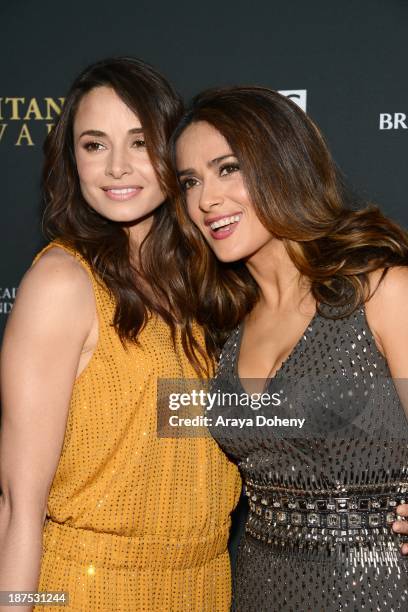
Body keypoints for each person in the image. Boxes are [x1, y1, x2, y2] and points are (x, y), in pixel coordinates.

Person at [0, 59, 241, 612]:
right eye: (93, 144)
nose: (116, 167)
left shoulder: (208, 284)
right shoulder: (63, 281)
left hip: (206, 585)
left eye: (138, 142)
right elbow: (19, 503)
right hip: (89, 588)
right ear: (72, 160)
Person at [171, 86, 408, 610]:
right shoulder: (223, 323)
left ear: (283, 165)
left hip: (379, 587)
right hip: (258, 584)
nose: (206, 199)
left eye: (227, 168)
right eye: (191, 181)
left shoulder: (381, 291)